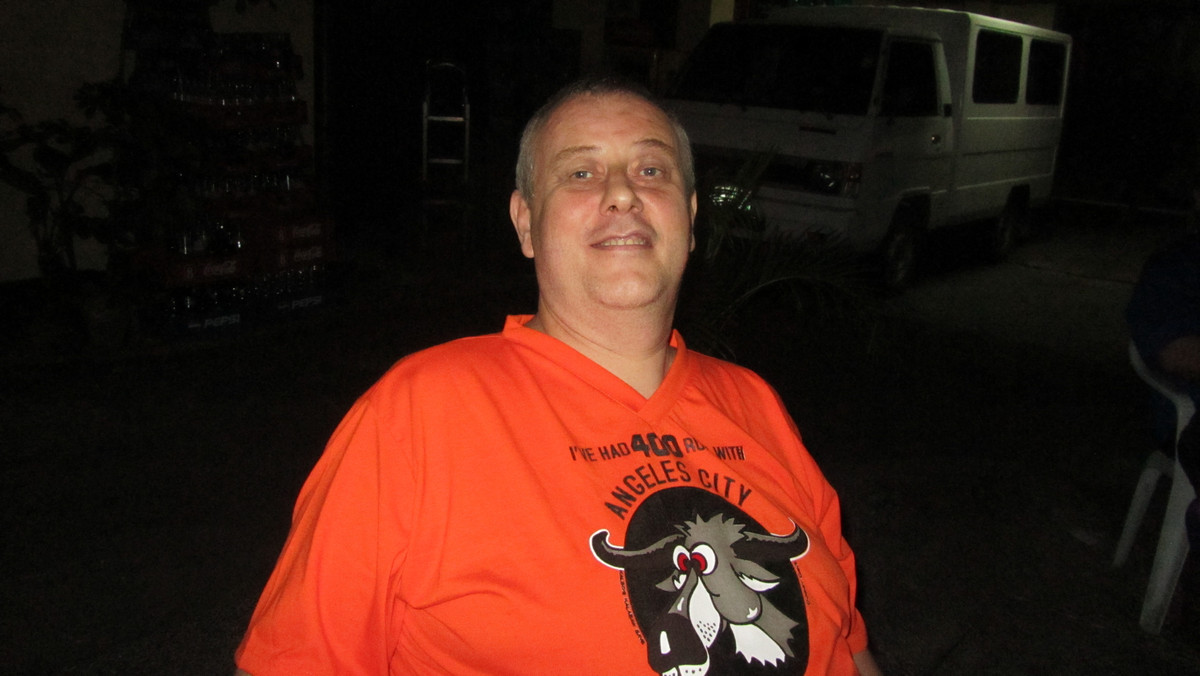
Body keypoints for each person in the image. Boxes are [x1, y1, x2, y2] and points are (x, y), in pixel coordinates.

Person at [234, 77, 882, 676]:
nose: (622, 193)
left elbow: (848, 651)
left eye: (650, 170)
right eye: (581, 172)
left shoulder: (754, 404)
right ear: (526, 224)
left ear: (689, 220)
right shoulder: (421, 412)